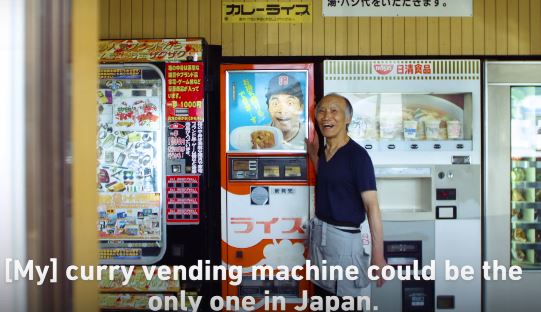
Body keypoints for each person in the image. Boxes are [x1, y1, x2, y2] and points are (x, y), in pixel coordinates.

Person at [307, 93, 386, 309]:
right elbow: (330, 177)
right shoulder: (325, 152)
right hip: (319, 236)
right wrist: (313, 156)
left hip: (344, 240)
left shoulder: (358, 157)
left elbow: (372, 208)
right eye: (322, 111)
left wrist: (378, 257)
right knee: (322, 300)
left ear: (348, 119)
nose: (326, 116)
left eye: (334, 111)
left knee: (343, 302)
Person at [265, 73, 306, 150]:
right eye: (276, 103)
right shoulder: (260, 135)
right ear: (268, 108)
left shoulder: (308, 134)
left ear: (301, 107)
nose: (282, 111)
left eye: (290, 103)